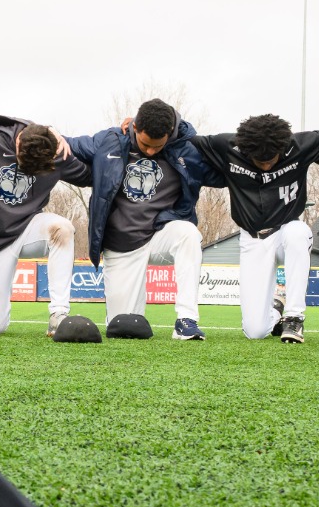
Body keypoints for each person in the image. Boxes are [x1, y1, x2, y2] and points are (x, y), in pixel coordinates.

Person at [187, 111, 319, 343]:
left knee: (298, 232)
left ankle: (294, 317)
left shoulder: (300, 145)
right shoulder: (226, 145)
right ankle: (276, 308)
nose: (267, 167)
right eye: (261, 162)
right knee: (255, 332)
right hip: (253, 240)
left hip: (285, 232)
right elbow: (187, 137)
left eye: (272, 160)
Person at [60, 98, 210, 340]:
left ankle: (186, 320)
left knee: (188, 233)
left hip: (160, 233)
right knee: (124, 327)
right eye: (145, 144)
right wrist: (50, 133)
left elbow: (224, 166)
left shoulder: (185, 149)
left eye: (157, 146)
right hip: (122, 244)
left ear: (169, 135)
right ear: (135, 128)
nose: (150, 151)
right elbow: (68, 144)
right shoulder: (109, 141)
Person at [0, 116, 77, 336]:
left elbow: (96, 169)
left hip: (28, 227)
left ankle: (59, 314)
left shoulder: (56, 153)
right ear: (17, 143)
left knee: (62, 228)